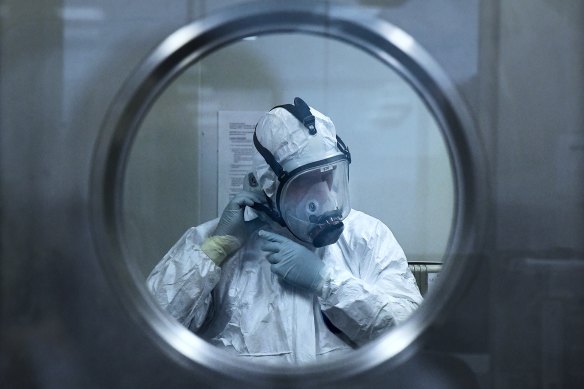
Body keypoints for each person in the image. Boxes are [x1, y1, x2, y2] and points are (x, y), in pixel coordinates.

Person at [147, 97, 423, 365]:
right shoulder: (216, 244)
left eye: (328, 176)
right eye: (307, 182)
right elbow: (148, 336)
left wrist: (327, 282)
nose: (325, 194)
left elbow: (411, 335)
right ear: (269, 184)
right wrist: (214, 251)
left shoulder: (367, 237)